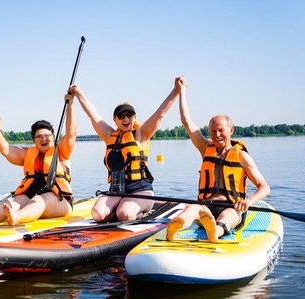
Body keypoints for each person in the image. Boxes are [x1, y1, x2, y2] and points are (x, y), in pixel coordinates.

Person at [166, 77, 270, 242]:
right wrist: (182, 91)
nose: (216, 135)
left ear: (231, 130)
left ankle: (216, 231)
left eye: (221, 130)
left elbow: (264, 187)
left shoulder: (242, 156)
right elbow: (186, 121)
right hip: (205, 205)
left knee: (227, 215)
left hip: (232, 206)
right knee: (192, 209)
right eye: (213, 131)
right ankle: (176, 226)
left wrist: (248, 201)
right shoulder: (205, 148)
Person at [69, 77, 183, 222]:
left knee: (125, 214)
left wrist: (176, 91)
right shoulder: (109, 135)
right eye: (121, 116)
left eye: (130, 115)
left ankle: (141, 213)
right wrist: (79, 94)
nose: (126, 119)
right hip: (116, 190)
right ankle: (116, 211)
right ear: (115, 119)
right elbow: (93, 115)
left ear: (134, 118)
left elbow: (160, 114)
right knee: (98, 214)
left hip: (141, 190)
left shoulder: (141, 135)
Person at [0, 93, 76, 227]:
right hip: (30, 197)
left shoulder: (62, 152)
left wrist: (70, 106)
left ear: (54, 137)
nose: (44, 139)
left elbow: (71, 134)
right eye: (39, 137)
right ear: (34, 140)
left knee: (40, 200)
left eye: (47, 135)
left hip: (59, 201)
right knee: (9, 204)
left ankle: (17, 216)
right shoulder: (27, 154)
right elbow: (6, 150)